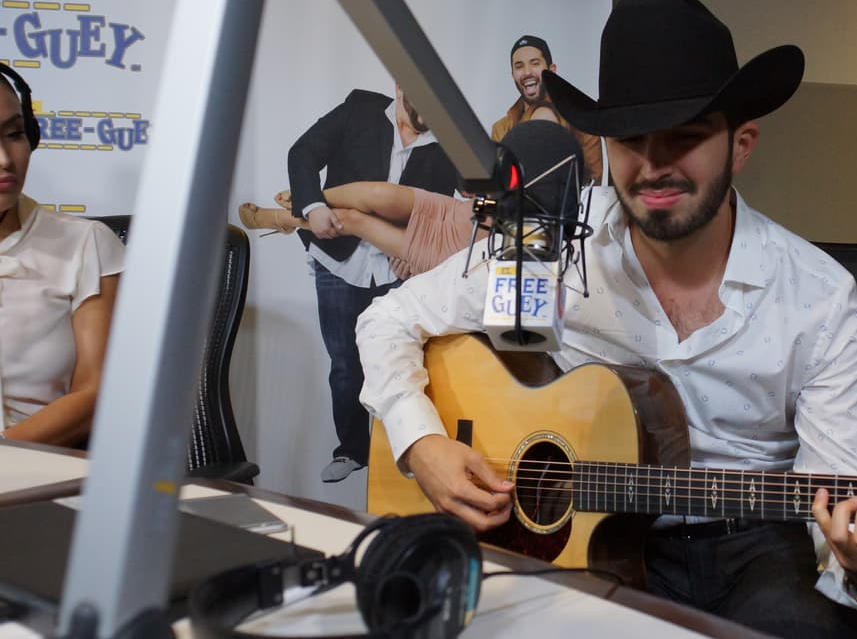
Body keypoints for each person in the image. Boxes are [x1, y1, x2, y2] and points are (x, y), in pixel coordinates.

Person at [355, 0, 857, 637]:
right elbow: (388, 319)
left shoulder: (819, 301)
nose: (655, 164)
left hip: (754, 549)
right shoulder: (552, 244)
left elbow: (841, 515)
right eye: (633, 138)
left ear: (740, 144)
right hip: (582, 539)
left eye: (686, 136)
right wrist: (424, 443)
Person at [284, 86, 461, 483]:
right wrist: (312, 207)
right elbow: (303, 154)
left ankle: (400, 452)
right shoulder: (358, 110)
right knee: (345, 363)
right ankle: (351, 450)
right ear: (401, 88)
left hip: (399, 265)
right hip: (338, 258)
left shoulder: (450, 143)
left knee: (401, 363)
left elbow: (455, 207)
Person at [0, 65, 124, 447]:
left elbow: (94, 394)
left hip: (39, 473)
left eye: (15, 134)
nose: (6, 159)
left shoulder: (85, 243)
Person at [239, 180, 477, 280]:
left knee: (354, 220)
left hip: (455, 250)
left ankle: (284, 219)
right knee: (379, 194)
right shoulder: (505, 126)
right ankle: (309, 201)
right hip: (461, 212)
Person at [491, 35, 603, 183]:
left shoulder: (582, 124)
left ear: (551, 70)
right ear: (513, 75)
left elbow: (593, 188)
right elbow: (498, 188)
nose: (527, 72)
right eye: (519, 66)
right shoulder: (501, 129)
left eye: (535, 63)